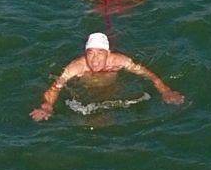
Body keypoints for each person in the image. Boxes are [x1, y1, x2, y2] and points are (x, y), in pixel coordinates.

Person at [30, 33, 184, 121]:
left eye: (100, 53)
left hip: (113, 88)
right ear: (85, 54)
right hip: (85, 89)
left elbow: (148, 74)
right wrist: (47, 106)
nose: (95, 59)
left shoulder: (119, 61)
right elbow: (56, 87)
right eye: (90, 53)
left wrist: (165, 91)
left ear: (108, 53)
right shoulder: (76, 67)